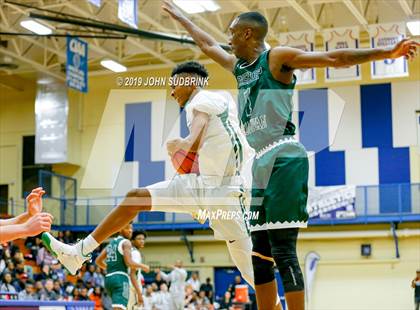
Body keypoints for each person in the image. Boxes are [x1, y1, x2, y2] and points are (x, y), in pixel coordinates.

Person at [161, 2, 420, 309]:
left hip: (283, 155)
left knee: (283, 251)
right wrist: (179, 16)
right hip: (258, 163)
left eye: (232, 33)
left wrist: (385, 53)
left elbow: (333, 58)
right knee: (259, 255)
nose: (227, 39)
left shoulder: (277, 58)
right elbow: (205, 43)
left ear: (247, 33)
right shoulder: (239, 68)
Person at [42, 61, 255, 290]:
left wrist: (182, 143)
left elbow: (197, 135)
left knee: (253, 272)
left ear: (190, 82)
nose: (172, 92)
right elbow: (216, 144)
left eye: (174, 85)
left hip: (226, 192)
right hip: (204, 183)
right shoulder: (222, 101)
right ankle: (79, 251)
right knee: (135, 197)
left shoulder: (201, 101)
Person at [95, 223, 146, 310]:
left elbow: (98, 261)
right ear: (119, 229)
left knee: (117, 308)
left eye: (131, 228)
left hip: (108, 279)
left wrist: (111, 268)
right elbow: (129, 263)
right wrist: (144, 266)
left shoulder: (111, 243)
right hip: (121, 279)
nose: (130, 230)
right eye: (127, 228)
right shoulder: (126, 242)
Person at [128, 230, 149, 309]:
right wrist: (139, 294)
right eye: (139, 239)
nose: (142, 241)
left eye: (143, 239)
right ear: (132, 241)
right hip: (133, 289)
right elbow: (132, 274)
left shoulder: (130, 251)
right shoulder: (135, 253)